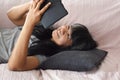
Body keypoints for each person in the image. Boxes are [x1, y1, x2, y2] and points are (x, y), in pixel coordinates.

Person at [0, 0, 97, 71]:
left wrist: (29, 23)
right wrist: (32, 4)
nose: (62, 30)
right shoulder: (43, 27)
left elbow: (14, 65)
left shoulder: (44, 56)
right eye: (67, 27)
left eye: (68, 36)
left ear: (70, 47)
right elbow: (11, 16)